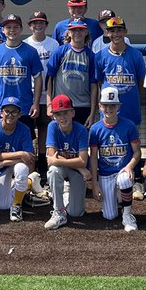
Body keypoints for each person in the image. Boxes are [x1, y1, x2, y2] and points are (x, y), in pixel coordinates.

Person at [93, 16, 146, 197]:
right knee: (109, 146)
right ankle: (106, 179)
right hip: (108, 112)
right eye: (112, 31)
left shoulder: (135, 55)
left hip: (130, 109)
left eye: (119, 30)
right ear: (107, 33)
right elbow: (98, 82)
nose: (115, 34)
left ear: (125, 32)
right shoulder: (100, 56)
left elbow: (140, 82)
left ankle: (136, 180)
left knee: (133, 147)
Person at [87, 86, 140, 231]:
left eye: (112, 105)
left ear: (118, 106)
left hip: (123, 170)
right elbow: (93, 158)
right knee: (109, 216)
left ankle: (128, 214)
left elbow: (137, 153)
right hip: (105, 174)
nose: (108, 109)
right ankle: (118, 199)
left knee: (124, 180)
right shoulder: (95, 129)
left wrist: (129, 167)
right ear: (99, 106)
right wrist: (95, 183)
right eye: (105, 105)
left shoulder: (129, 126)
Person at [0, 13, 44, 131]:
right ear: (2, 30)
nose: (12, 30)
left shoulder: (30, 51)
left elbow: (38, 78)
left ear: (21, 29)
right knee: (3, 142)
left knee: (25, 142)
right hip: (2, 107)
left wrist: (35, 103)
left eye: (16, 27)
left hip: (24, 106)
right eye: (8, 27)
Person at [44, 95, 90, 230]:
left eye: (65, 113)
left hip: (75, 170)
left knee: (76, 213)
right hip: (71, 169)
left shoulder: (81, 130)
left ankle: (65, 193)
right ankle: (58, 212)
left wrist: (80, 166)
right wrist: (81, 168)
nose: (62, 117)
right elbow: (52, 158)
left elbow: (83, 160)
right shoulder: (52, 127)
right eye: (58, 114)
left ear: (73, 113)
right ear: (54, 116)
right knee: (53, 171)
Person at [0, 97, 35, 221]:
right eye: (7, 111)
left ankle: (17, 204)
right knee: (2, 206)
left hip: (9, 164)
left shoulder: (24, 129)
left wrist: (4, 162)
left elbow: (29, 158)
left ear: (20, 115)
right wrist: (21, 154)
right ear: (1, 113)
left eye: (14, 111)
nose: (10, 115)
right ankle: (25, 185)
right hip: (1, 166)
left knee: (22, 169)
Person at [23, 11, 59, 171]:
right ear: (30, 26)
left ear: (46, 25)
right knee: (29, 130)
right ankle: (30, 162)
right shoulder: (25, 44)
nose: (38, 25)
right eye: (35, 23)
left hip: (49, 93)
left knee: (45, 126)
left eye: (41, 22)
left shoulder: (53, 44)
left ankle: (43, 160)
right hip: (29, 93)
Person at [46, 18, 98, 127]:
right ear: (68, 33)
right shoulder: (60, 51)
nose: (77, 33)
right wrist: (49, 104)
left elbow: (94, 86)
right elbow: (49, 79)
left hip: (83, 106)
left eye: (80, 30)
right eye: (74, 30)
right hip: (61, 105)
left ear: (86, 32)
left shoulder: (91, 56)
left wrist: (92, 113)